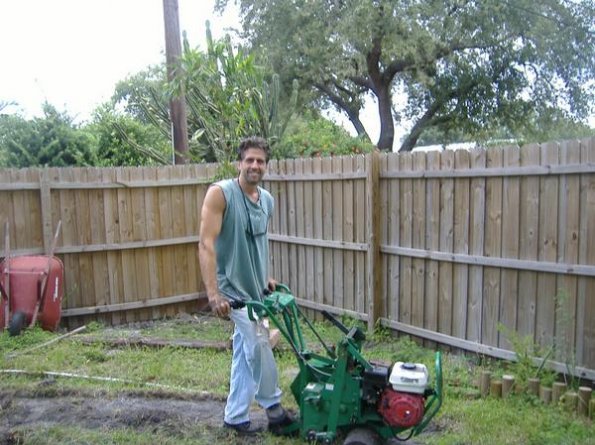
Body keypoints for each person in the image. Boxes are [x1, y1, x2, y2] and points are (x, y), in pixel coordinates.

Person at [198, 136, 292, 435]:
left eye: (260, 161)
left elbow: (258, 244)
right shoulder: (220, 194)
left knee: (244, 352)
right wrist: (213, 294)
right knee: (260, 344)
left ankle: (235, 417)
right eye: (249, 160)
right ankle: (275, 410)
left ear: (266, 166)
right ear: (239, 163)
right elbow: (206, 244)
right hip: (232, 293)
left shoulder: (267, 200)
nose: (254, 165)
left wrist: (265, 277)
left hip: (256, 292)